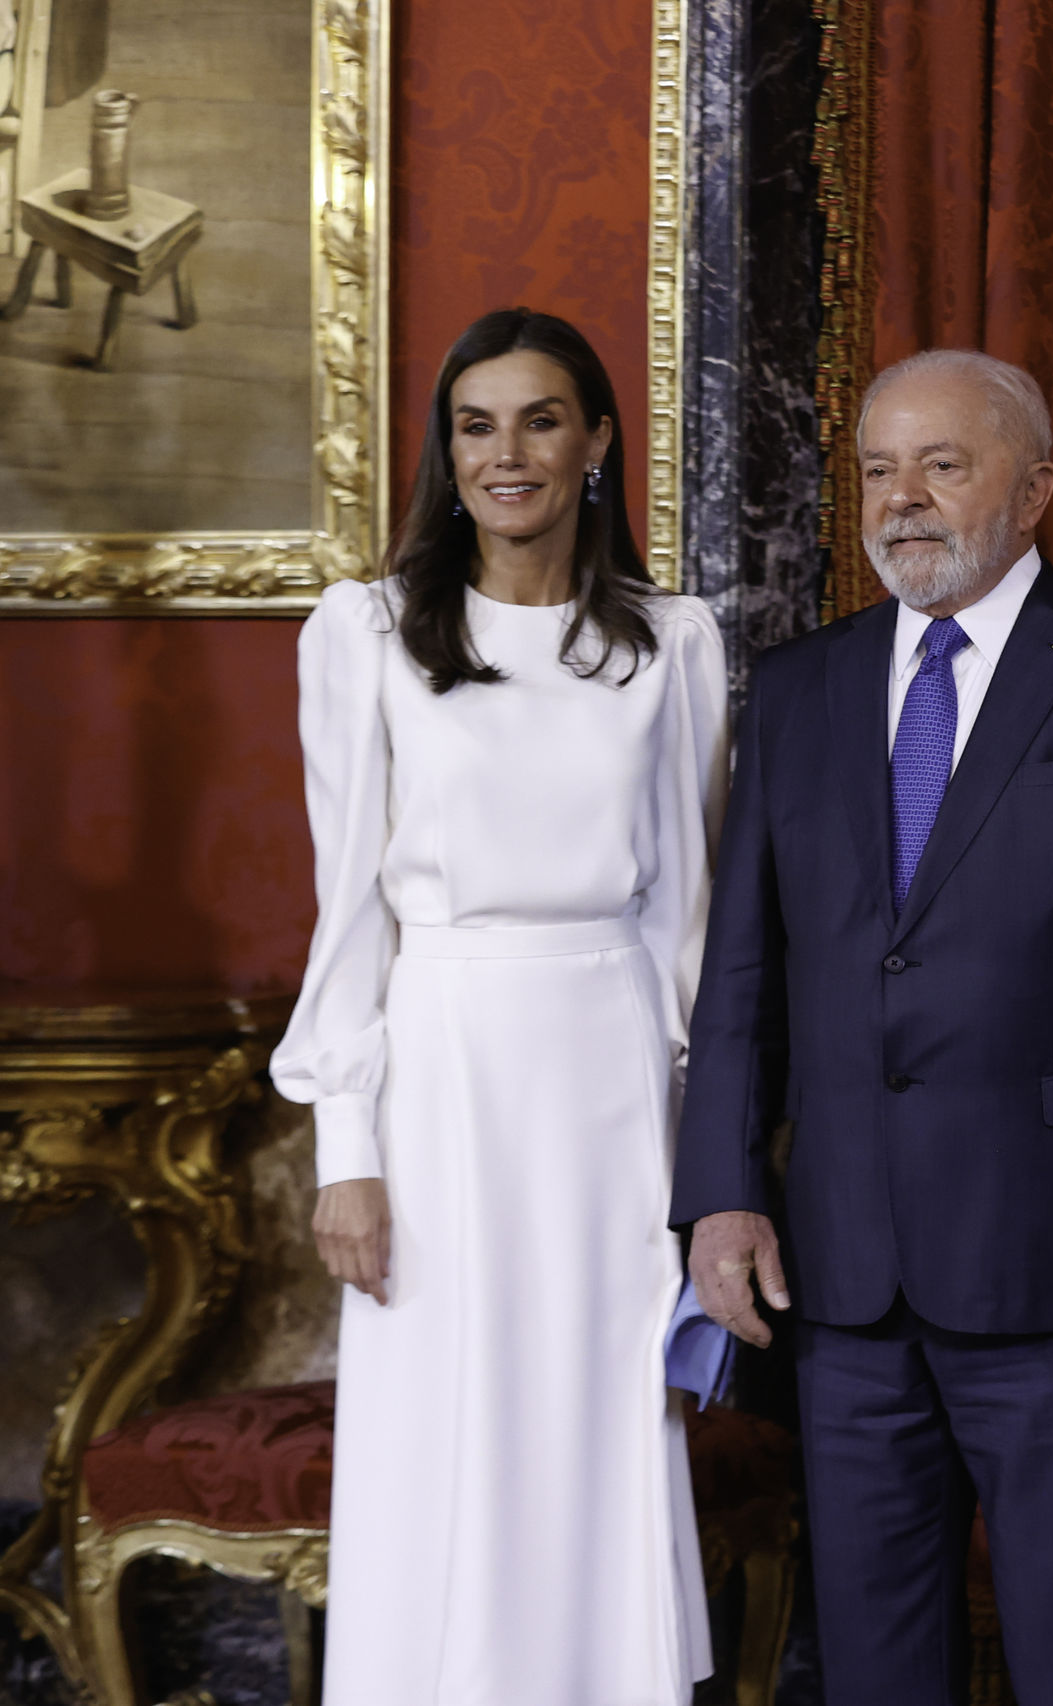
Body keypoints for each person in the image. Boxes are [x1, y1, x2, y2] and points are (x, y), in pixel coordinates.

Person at [673, 349, 1053, 1706]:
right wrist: (721, 1194)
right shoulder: (803, 686)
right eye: (879, 469)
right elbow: (742, 970)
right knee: (877, 1667)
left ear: (1036, 487)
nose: (904, 499)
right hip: (844, 1275)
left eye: (943, 465)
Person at [272, 307, 721, 1703]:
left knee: (601, 1416)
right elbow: (351, 909)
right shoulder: (366, 633)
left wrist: (709, 1166)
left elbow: (687, 923)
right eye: (476, 425)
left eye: (540, 420)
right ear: (446, 451)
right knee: (442, 1424)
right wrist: (347, 1150)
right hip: (441, 1073)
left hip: (615, 1083)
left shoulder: (674, 641)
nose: (506, 453)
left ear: (596, 443)